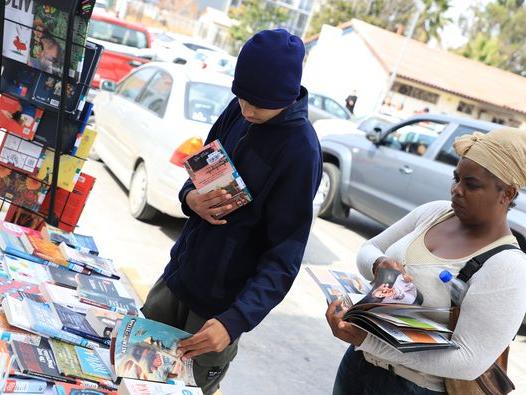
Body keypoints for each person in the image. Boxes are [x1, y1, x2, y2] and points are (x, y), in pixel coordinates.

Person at [142, 29, 322, 394]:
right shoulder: (238, 111)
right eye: (241, 98)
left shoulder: (301, 152)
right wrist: (190, 199)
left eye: (258, 104)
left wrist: (233, 322)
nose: (247, 109)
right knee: (130, 371)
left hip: (215, 314)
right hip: (176, 280)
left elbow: (284, 257)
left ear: (287, 97)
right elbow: (199, 172)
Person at [326, 127, 526, 394]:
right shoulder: (434, 213)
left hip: (414, 387)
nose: (457, 190)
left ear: (508, 194)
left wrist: (370, 341)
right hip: (358, 365)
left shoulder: (508, 267)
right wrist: (379, 264)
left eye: (472, 184)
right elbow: (370, 248)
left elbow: (469, 361)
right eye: (456, 179)